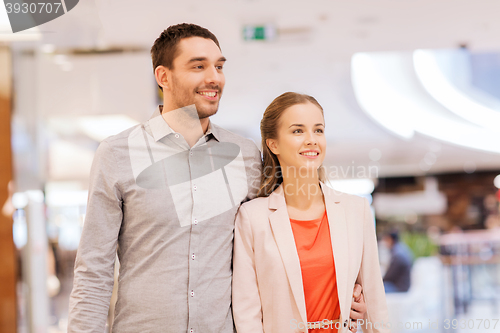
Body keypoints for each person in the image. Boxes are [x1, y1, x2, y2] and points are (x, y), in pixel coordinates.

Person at [68, 24, 366, 333]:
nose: (214, 77)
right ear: (163, 77)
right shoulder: (117, 154)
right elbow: (94, 272)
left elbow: (280, 244)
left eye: (219, 66)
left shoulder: (245, 155)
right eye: (199, 66)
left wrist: (346, 296)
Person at [232, 92, 390, 333]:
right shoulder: (252, 217)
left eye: (318, 130)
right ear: (273, 144)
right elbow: (247, 315)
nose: (312, 140)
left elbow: (375, 304)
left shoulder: (356, 211)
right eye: (298, 131)